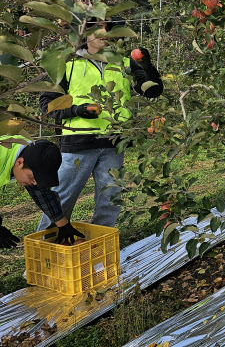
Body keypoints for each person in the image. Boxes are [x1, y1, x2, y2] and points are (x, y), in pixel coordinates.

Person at [37, 18, 163, 231]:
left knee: (110, 200)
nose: (105, 32)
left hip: (115, 142)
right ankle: (44, 244)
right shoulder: (67, 64)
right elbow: (46, 105)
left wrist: (147, 66)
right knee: (63, 197)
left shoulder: (124, 62)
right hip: (79, 141)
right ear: (85, 33)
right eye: (99, 28)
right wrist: (77, 110)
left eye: (109, 28)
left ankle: (99, 243)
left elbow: (152, 91)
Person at [0, 136, 83, 248]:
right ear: (19, 162)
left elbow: (41, 193)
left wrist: (64, 225)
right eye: (32, 177)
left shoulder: (29, 153)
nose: (34, 183)